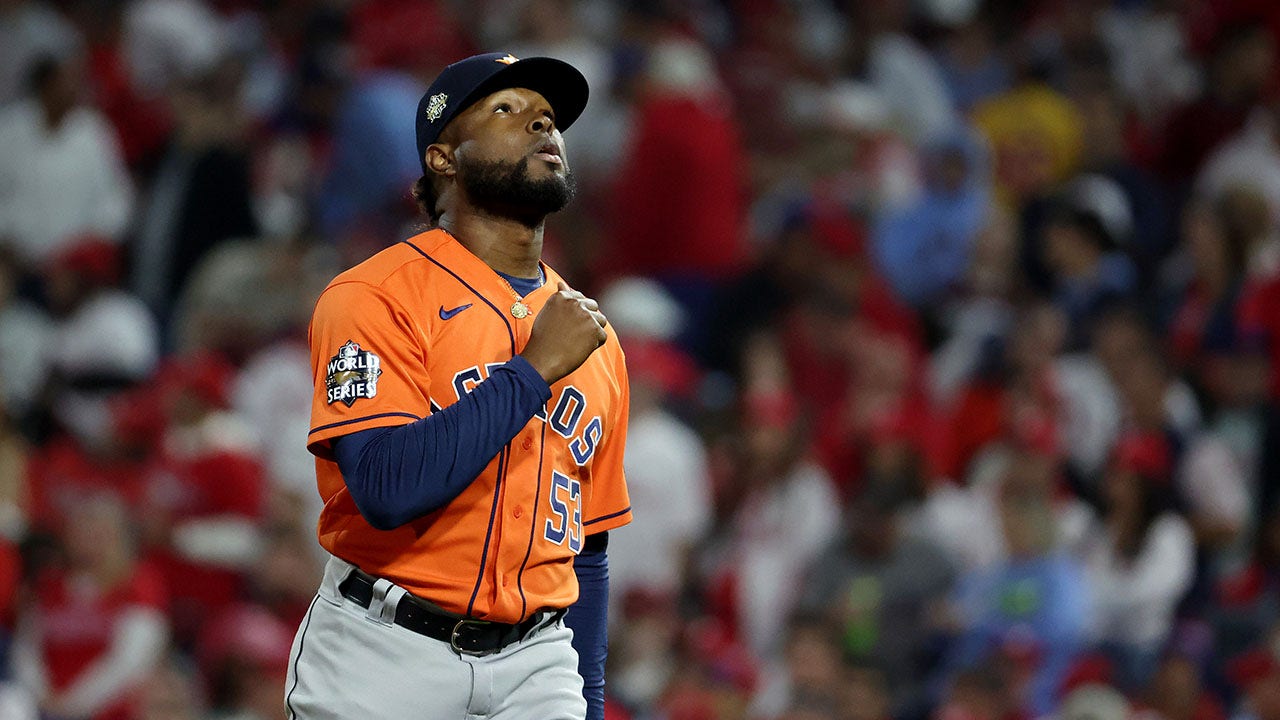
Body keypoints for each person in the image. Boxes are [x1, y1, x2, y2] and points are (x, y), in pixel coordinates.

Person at [285, 52, 631, 720]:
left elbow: (586, 548)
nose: (542, 127)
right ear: (443, 159)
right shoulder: (373, 295)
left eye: (548, 118)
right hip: (383, 651)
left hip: (538, 660)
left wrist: (588, 699)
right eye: (508, 111)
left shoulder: (594, 335)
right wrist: (531, 373)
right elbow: (385, 488)